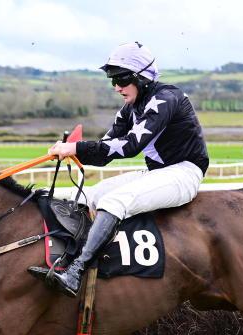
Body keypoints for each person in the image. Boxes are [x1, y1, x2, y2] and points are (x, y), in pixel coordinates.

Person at [30, 41, 209, 297]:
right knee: (87, 196)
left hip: (184, 172)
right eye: (113, 80)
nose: (117, 87)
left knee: (114, 201)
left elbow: (131, 145)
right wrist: (73, 151)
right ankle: (64, 260)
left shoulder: (166, 99)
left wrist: (76, 148)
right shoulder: (129, 110)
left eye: (122, 79)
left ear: (142, 77)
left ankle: (76, 272)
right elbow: (105, 151)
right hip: (157, 173)